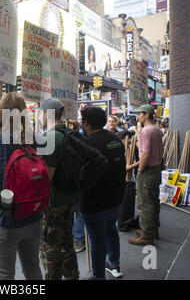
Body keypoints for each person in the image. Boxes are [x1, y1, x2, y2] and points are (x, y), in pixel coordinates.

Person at [0, 92, 43, 280]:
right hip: (33, 212)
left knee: (4, 274)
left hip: (4, 217)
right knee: (33, 267)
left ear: (1, 114)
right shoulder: (36, 139)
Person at [79, 107, 126, 279]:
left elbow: (82, 175)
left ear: (85, 122)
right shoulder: (115, 139)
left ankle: (98, 276)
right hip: (115, 199)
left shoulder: (87, 144)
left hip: (94, 202)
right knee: (110, 230)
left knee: (97, 240)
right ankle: (114, 262)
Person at [37, 98, 79, 280]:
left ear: (47, 114)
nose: (39, 117)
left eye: (40, 113)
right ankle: (72, 275)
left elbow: (47, 177)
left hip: (54, 201)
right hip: (70, 198)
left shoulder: (51, 138)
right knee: (67, 241)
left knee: (51, 246)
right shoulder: (70, 133)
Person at [128, 104, 163, 246]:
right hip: (157, 169)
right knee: (154, 202)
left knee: (145, 204)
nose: (138, 116)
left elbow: (146, 155)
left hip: (148, 171)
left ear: (147, 114)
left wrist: (140, 170)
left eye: (140, 114)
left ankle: (147, 235)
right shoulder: (157, 130)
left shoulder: (146, 131)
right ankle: (152, 229)